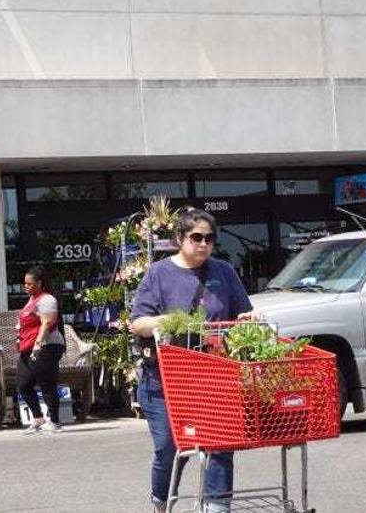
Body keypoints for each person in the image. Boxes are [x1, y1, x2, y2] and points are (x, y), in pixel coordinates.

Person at [131, 208, 261, 513]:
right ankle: (161, 500)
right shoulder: (159, 274)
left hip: (213, 375)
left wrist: (249, 318)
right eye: (196, 237)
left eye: (209, 238)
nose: (204, 244)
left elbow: (241, 313)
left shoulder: (224, 272)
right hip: (165, 380)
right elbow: (138, 322)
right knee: (169, 447)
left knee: (221, 442)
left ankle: (217, 505)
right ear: (180, 238)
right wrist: (163, 322)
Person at [17, 265, 66, 435]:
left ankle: (55, 421)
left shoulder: (47, 299)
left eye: (30, 284)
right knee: (23, 384)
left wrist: (38, 344)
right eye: (25, 283)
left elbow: (47, 323)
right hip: (28, 347)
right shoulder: (31, 300)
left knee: (47, 383)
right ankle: (38, 418)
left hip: (47, 346)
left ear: (39, 283)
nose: (26, 286)